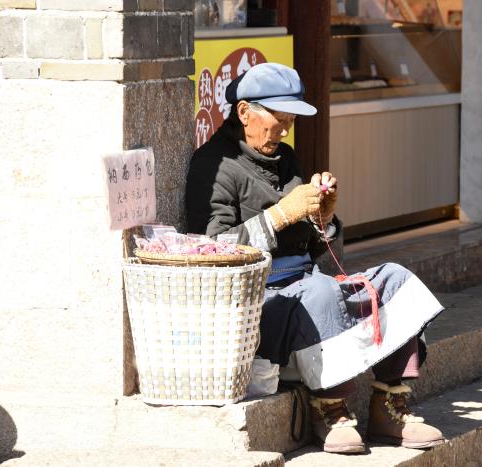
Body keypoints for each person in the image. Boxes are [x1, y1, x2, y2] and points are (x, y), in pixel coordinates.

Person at [185, 63, 445, 454]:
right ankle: (331, 408)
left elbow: (315, 249)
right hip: (262, 303)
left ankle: (388, 405)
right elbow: (213, 248)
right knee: (321, 290)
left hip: (308, 287)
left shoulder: (286, 158)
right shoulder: (214, 165)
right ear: (244, 113)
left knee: (395, 278)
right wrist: (280, 215)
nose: (286, 130)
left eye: (291, 120)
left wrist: (326, 220)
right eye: (280, 119)